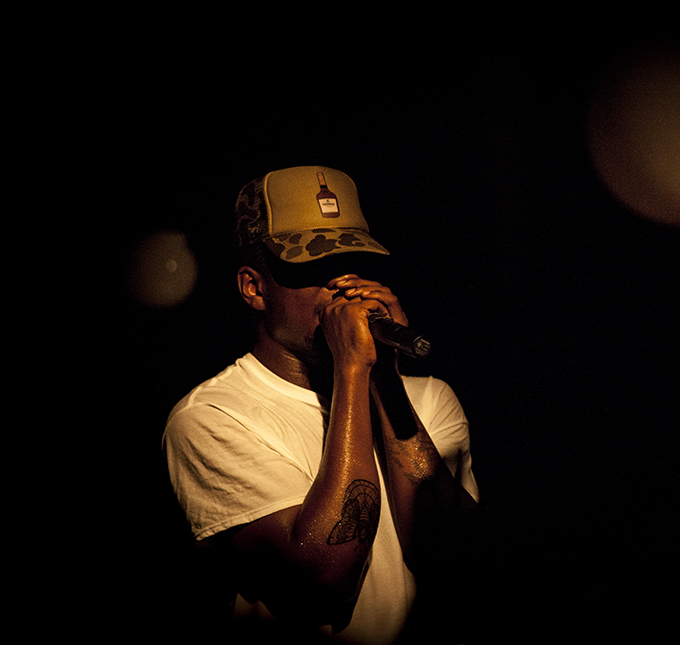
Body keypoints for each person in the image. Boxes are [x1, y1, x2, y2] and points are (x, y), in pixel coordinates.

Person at [162, 166, 484, 643]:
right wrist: (351, 369)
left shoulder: (428, 398)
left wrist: (383, 382)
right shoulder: (212, 417)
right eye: (312, 267)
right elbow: (324, 575)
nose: (345, 286)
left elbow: (452, 559)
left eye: (355, 263)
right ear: (254, 288)